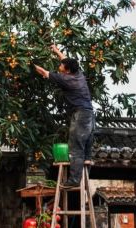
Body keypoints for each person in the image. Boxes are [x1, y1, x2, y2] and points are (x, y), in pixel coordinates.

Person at [34, 44, 94, 187]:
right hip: (89, 113)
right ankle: (84, 178)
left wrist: (30, 63)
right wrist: (56, 51)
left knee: (76, 146)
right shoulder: (77, 73)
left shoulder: (65, 79)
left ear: (66, 70)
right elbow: (66, 59)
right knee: (86, 148)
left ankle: (74, 181)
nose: (59, 66)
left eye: (61, 66)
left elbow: (43, 72)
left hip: (80, 114)